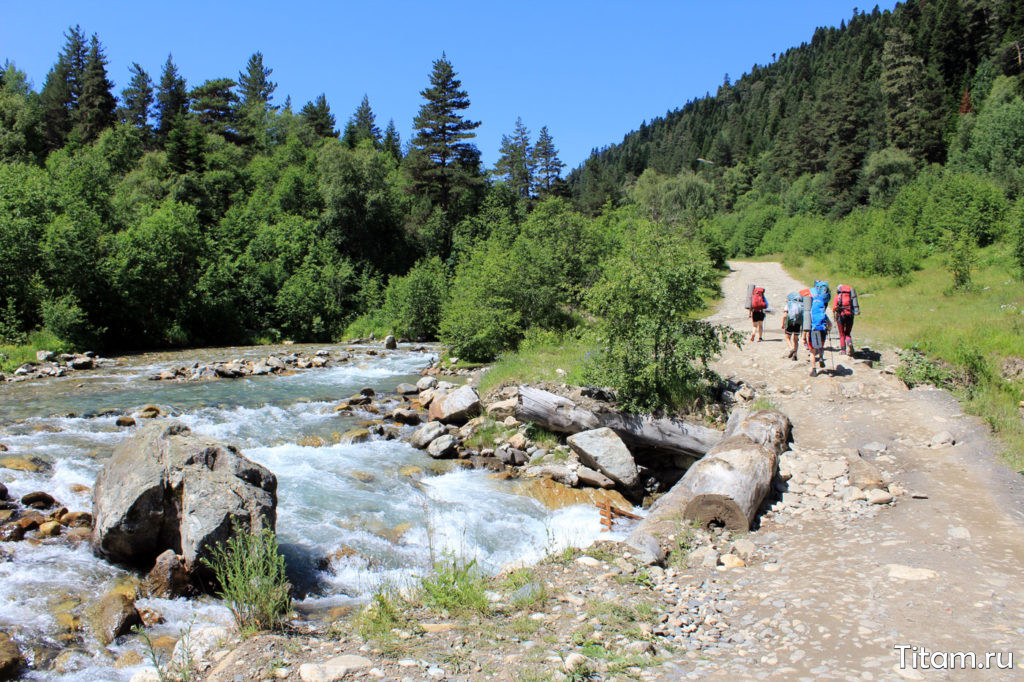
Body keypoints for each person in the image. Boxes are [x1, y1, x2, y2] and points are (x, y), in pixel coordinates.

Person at [808, 292, 831, 377]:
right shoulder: (823, 314)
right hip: (822, 330)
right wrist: (828, 328)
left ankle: (814, 370)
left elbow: (807, 325)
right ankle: (821, 357)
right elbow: (830, 324)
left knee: (813, 351)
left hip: (813, 330)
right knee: (821, 346)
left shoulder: (810, 313)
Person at [833, 284, 859, 355]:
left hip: (841, 316)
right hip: (850, 316)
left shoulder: (837, 297)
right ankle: (849, 342)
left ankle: (843, 350)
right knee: (847, 333)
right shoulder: (850, 297)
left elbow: (834, 308)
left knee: (842, 334)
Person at [782, 291, 803, 360]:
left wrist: (783, 324)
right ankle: (795, 355)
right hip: (798, 322)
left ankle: (792, 348)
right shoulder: (801, 304)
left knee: (788, 337)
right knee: (796, 339)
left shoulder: (789, 304)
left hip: (790, 322)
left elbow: (785, 316)